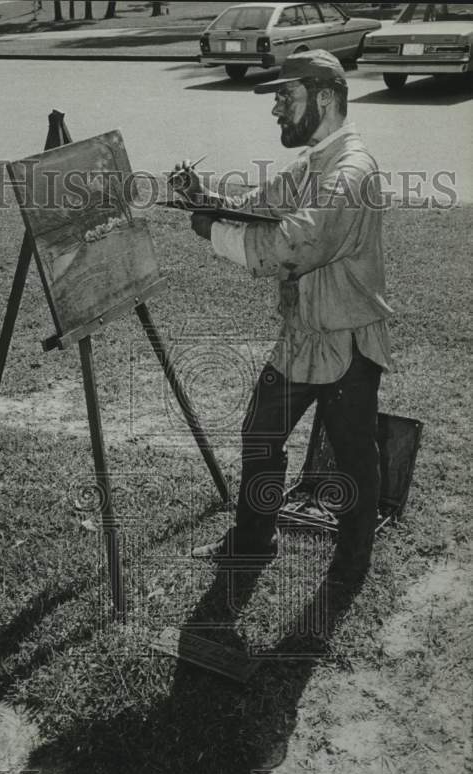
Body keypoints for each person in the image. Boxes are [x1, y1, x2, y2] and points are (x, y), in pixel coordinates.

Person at [174, 49, 393, 587]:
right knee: (260, 433)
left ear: (324, 98)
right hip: (304, 335)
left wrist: (213, 232)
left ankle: (351, 563)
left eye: (284, 97)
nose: (276, 109)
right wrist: (205, 198)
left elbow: (292, 246)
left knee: (351, 457)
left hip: (345, 341)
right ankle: (252, 541)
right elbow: (262, 205)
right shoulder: (315, 164)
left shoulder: (350, 172)